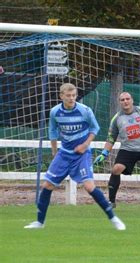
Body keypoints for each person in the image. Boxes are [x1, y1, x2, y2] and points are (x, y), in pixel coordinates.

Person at [24, 83, 125, 230]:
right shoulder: (55, 112)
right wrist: (54, 152)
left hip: (82, 154)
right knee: (47, 185)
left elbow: (95, 128)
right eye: (68, 95)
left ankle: (114, 219)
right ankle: (40, 222)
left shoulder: (84, 111)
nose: (71, 98)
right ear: (61, 96)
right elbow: (52, 133)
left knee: (89, 187)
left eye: (74, 95)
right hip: (64, 154)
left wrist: (85, 145)